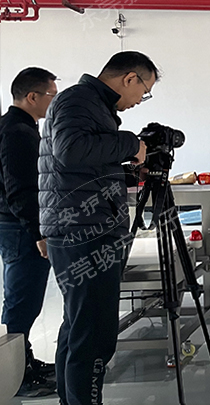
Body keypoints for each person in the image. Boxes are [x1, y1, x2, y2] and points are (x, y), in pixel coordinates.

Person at [39, 51, 155, 405]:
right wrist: (131, 144)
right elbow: (71, 150)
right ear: (130, 78)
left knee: (80, 325)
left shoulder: (91, 105)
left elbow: (82, 167)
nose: (140, 100)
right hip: (84, 231)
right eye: (144, 91)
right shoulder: (78, 100)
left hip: (84, 227)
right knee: (94, 332)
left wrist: (126, 168)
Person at [0, 67, 58, 397]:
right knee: (22, 301)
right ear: (32, 96)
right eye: (51, 95)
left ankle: (24, 363)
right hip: (20, 227)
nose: (54, 102)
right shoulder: (17, 132)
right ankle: (15, 377)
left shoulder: (18, 127)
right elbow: (21, 189)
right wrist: (39, 232)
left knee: (25, 300)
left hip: (17, 224)